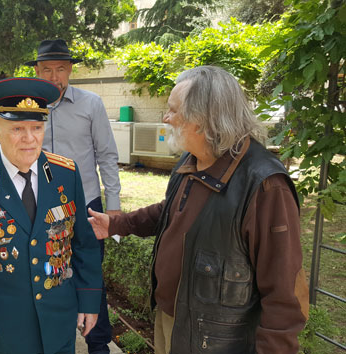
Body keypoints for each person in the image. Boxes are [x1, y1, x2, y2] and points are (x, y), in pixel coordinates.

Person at [88, 66, 309, 354]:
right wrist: (117, 224)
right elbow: (172, 212)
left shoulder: (264, 185)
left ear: (203, 120)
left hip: (215, 340)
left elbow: (284, 292)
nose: (166, 118)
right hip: (174, 322)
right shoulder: (192, 160)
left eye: (173, 110)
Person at [0, 77, 103, 354]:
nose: (29, 138)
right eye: (17, 129)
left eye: (36, 128)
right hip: (0, 328)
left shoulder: (66, 173)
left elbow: (83, 243)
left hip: (58, 320)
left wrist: (88, 300)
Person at [26, 38, 120, 354]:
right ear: (37, 72)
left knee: (90, 273)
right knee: (49, 275)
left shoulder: (91, 104)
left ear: (70, 70)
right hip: (41, 206)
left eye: (61, 69)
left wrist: (115, 206)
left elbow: (106, 155)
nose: (54, 77)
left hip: (87, 204)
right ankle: (56, 340)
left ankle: (98, 344)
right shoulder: (27, 107)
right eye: (47, 70)